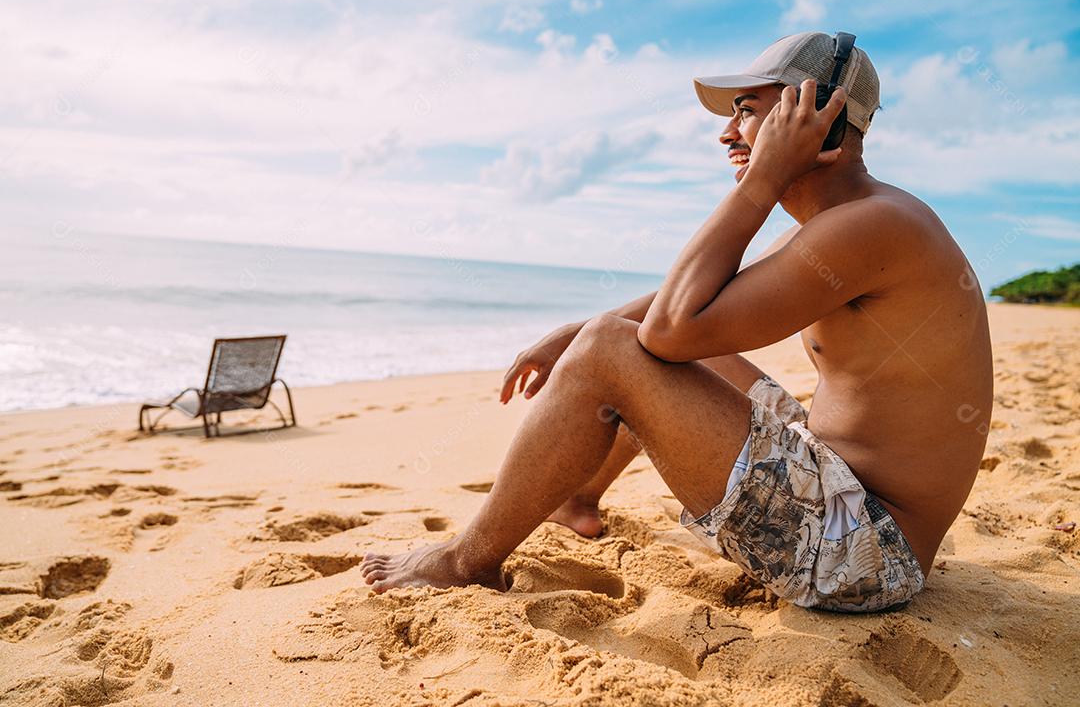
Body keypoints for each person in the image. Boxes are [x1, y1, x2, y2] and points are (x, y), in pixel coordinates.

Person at [361, 32, 993, 612]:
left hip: (863, 551)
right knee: (631, 342)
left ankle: (464, 560)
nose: (728, 133)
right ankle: (577, 499)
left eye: (747, 109)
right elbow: (694, 302)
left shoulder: (871, 226)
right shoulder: (845, 222)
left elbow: (669, 328)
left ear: (820, 115)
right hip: (841, 491)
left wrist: (765, 178)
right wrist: (571, 332)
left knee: (617, 350)